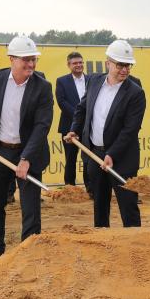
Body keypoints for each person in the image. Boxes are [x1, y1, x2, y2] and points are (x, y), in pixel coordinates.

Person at [0, 37, 53, 261]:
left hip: (28, 152)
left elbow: (42, 125)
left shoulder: (42, 87)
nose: (31, 65)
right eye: (26, 60)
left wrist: (26, 158)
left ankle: (29, 254)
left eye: (33, 60)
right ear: (11, 59)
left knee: (30, 207)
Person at [66, 40, 145, 228]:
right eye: (120, 65)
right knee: (100, 203)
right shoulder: (94, 81)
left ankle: (136, 246)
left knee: (128, 204)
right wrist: (75, 129)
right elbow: (82, 108)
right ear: (108, 62)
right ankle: (102, 241)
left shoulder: (135, 93)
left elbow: (129, 130)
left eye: (128, 65)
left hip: (122, 158)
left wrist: (112, 154)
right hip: (95, 154)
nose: (125, 70)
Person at [55, 52, 92, 197]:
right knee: (70, 159)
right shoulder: (62, 81)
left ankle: (90, 188)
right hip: (68, 126)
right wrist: (79, 117)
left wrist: (86, 119)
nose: (78, 65)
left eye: (80, 62)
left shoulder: (91, 79)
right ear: (69, 65)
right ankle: (70, 189)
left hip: (88, 128)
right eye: (75, 63)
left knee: (88, 159)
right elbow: (62, 102)